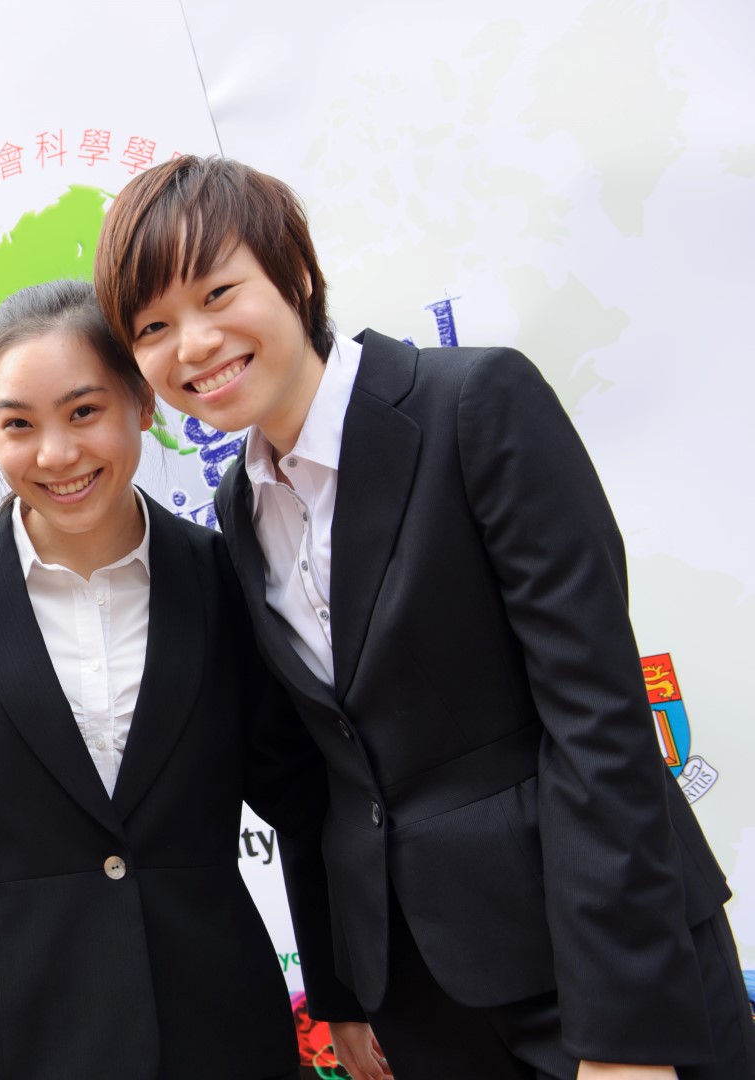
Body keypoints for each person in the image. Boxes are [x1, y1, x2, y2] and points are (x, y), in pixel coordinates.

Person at [91, 154, 755, 1080]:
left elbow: (595, 721)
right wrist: (343, 990)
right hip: (420, 1000)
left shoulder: (473, 405)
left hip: (596, 965)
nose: (191, 345)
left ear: (297, 274)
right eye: (152, 327)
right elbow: (318, 777)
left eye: (216, 293)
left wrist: (622, 1035)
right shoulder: (241, 510)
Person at [0, 283, 328, 1080]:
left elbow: (303, 798)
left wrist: (342, 988)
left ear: (142, 403)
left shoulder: (221, 574)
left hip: (223, 1023)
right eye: (17, 425)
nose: (55, 455)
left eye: (83, 412)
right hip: (32, 1028)